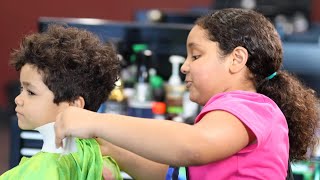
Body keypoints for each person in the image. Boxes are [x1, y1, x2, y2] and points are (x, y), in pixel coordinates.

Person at [54, 8, 319, 179]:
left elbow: (191, 146)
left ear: (236, 59)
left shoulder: (253, 107)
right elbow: (176, 173)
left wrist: (94, 121)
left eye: (196, 55)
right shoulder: (228, 117)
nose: (184, 66)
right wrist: (112, 151)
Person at [0, 25, 123, 179]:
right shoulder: (105, 164)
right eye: (21, 89)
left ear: (74, 106)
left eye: (31, 92)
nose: (18, 99)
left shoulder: (31, 174)